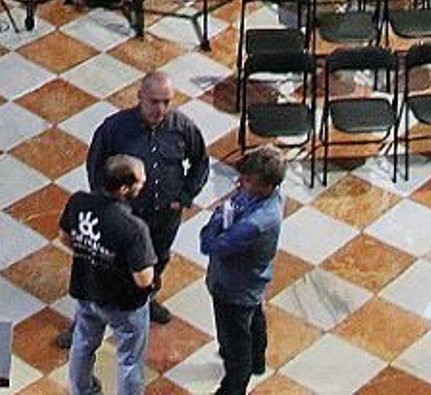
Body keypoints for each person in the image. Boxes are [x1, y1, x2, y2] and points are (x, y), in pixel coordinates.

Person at [84, 72, 208, 325]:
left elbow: (200, 162)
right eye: (154, 101)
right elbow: (96, 168)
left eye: (166, 102)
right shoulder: (114, 129)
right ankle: (93, 317)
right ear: (140, 96)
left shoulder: (182, 127)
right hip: (126, 216)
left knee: (157, 259)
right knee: (110, 264)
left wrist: (184, 196)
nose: (160, 109)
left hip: (165, 214)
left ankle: (145, 300)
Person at [58, 154, 156, 395]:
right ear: (124, 188)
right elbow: (143, 279)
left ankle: (82, 390)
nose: (143, 184)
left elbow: (65, 237)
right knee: (129, 360)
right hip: (124, 304)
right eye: (140, 182)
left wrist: (92, 254)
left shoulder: (79, 201)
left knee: (82, 344)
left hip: (87, 289)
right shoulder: (133, 228)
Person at [201, 143, 286, 395]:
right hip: (252, 281)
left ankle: (233, 388)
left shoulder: (257, 222)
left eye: (248, 180)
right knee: (254, 320)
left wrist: (215, 221)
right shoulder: (269, 196)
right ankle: (257, 361)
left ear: (267, 184)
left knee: (235, 343)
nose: (240, 183)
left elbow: (211, 245)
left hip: (234, 288)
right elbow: (237, 201)